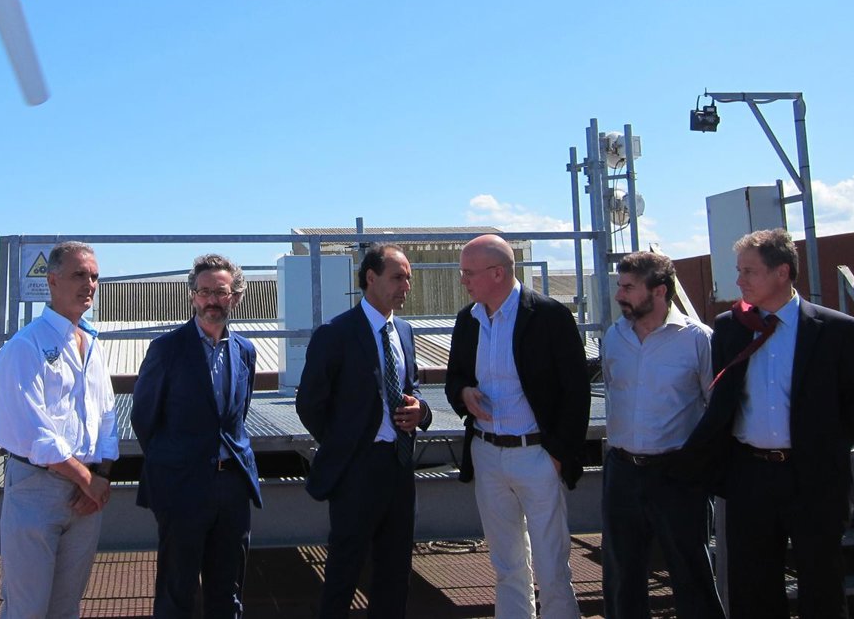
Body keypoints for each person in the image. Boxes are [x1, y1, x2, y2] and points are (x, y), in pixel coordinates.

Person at [682, 228, 854, 619]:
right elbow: (724, 401)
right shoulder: (730, 327)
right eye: (739, 271)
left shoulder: (836, 330)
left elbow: (852, 410)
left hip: (813, 478)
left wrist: (825, 460)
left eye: (748, 271)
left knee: (822, 585)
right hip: (750, 476)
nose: (739, 281)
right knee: (753, 588)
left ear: (782, 272)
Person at [444, 233, 589, 619]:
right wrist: (464, 393)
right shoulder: (468, 321)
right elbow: (454, 377)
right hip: (488, 455)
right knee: (506, 564)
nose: (463, 280)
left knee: (551, 565)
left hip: (537, 455)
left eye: (469, 272)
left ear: (497, 273)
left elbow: (576, 392)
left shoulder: (549, 316)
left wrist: (557, 455)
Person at [295, 243, 433, 619]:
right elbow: (310, 403)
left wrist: (420, 411)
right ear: (370, 278)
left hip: (399, 466)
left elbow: (413, 387)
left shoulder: (404, 331)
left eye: (408, 278)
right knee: (345, 569)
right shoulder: (336, 333)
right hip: (357, 468)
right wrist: (344, 444)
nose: (406, 286)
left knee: (395, 570)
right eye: (398, 277)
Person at [0, 240, 119, 619]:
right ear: (51, 280)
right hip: (37, 488)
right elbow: (35, 433)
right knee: (27, 609)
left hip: (86, 493)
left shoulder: (92, 345)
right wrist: (88, 480)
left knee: (66, 608)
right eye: (79, 275)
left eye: (94, 277)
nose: (89, 285)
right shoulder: (25, 346)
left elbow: (106, 416)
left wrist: (100, 475)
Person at [131, 254, 263, 619]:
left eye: (220, 292)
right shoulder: (167, 349)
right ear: (192, 296)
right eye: (204, 292)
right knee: (177, 594)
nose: (211, 300)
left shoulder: (245, 351)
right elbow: (144, 418)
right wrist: (173, 468)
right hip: (182, 488)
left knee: (228, 594)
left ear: (236, 297)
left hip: (232, 487)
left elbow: (236, 417)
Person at [600, 251, 725, 619]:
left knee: (691, 571)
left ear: (659, 291)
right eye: (619, 286)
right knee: (622, 575)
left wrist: (697, 466)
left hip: (677, 474)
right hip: (622, 470)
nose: (619, 295)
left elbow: (716, 406)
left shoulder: (698, 339)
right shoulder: (615, 336)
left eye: (628, 288)